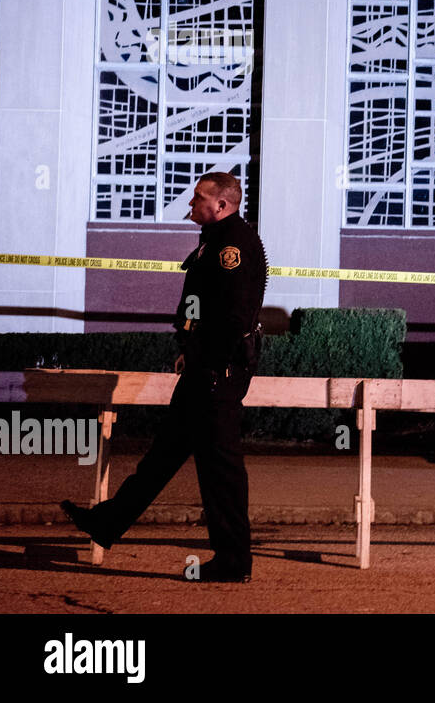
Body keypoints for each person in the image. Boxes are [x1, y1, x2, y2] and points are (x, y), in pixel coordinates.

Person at [62, 173, 268, 583]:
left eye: (198, 199)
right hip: (204, 370)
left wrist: (205, 360)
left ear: (222, 205)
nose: (190, 205)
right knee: (163, 456)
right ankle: (108, 523)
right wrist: (188, 349)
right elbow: (200, 304)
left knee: (221, 472)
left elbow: (233, 318)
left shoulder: (232, 246)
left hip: (215, 374)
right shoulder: (215, 238)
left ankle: (233, 560)